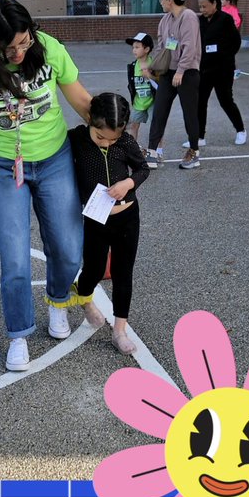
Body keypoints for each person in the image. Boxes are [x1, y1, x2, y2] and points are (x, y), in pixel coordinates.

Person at [0, 0, 92, 371]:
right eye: (10, 47)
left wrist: (116, 145)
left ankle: (57, 302)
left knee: (68, 247)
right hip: (6, 166)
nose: (19, 51)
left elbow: (82, 101)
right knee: (16, 259)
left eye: (24, 42)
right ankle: (19, 333)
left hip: (54, 158)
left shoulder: (50, 49)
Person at [68, 92, 149, 354]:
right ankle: (85, 301)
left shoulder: (125, 141)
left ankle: (119, 330)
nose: (105, 143)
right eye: (100, 137)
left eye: (111, 139)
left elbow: (142, 169)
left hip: (127, 216)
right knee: (91, 271)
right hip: (95, 219)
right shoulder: (77, 139)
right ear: (89, 120)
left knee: (123, 273)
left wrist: (128, 183)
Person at [141, 0, 202, 170]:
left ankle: (194, 152)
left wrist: (181, 71)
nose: (160, 2)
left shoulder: (188, 17)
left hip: (187, 73)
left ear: (170, 0)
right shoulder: (165, 19)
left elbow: (190, 47)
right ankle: (152, 153)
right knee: (159, 112)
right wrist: (152, 67)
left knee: (189, 114)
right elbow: (162, 47)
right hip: (168, 73)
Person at [188, 0, 246, 148]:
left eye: (205, 6)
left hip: (223, 69)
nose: (202, 9)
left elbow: (236, 42)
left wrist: (225, 57)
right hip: (204, 69)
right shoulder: (200, 21)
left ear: (214, 4)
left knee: (226, 100)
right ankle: (199, 137)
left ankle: (240, 130)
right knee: (200, 102)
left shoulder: (225, 19)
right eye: (200, 7)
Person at [125, 32, 158, 151]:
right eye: (133, 47)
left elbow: (161, 84)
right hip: (138, 102)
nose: (134, 50)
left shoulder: (154, 64)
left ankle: (157, 151)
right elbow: (132, 86)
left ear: (147, 49)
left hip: (152, 101)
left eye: (137, 47)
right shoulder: (132, 66)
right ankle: (133, 150)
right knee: (134, 125)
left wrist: (150, 76)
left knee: (156, 126)